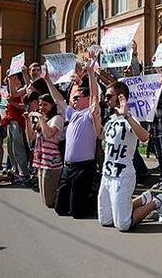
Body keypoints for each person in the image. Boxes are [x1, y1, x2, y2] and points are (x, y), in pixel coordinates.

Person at [98, 81, 162, 231]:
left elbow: (144, 137)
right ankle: (143, 198)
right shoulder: (111, 119)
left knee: (123, 225)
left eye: (109, 96)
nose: (106, 99)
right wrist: (94, 117)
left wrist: (127, 115)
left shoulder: (131, 118)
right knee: (106, 220)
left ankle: (157, 202)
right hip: (107, 175)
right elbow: (100, 135)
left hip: (122, 176)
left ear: (120, 97)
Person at [47, 59, 102, 218]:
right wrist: (48, 80)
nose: (74, 100)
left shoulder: (90, 114)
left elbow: (95, 97)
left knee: (78, 213)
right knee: (60, 210)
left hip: (83, 167)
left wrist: (91, 74)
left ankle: (94, 203)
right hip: (68, 167)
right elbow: (58, 100)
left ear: (86, 99)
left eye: (78, 98)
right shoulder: (72, 114)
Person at [25, 94, 64, 208]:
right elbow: (30, 137)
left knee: (49, 202)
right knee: (44, 200)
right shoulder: (42, 119)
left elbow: (48, 134)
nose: (42, 107)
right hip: (41, 161)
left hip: (52, 162)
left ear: (52, 105)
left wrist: (40, 118)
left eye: (45, 105)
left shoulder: (57, 118)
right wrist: (27, 120)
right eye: (40, 105)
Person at [2, 70, 31, 181]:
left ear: (18, 79)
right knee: (10, 146)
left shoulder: (22, 88)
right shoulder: (9, 88)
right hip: (10, 120)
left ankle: (23, 171)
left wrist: (12, 103)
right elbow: (10, 95)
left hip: (18, 120)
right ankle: (15, 169)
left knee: (18, 146)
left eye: (14, 77)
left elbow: (24, 105)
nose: (11, 79)